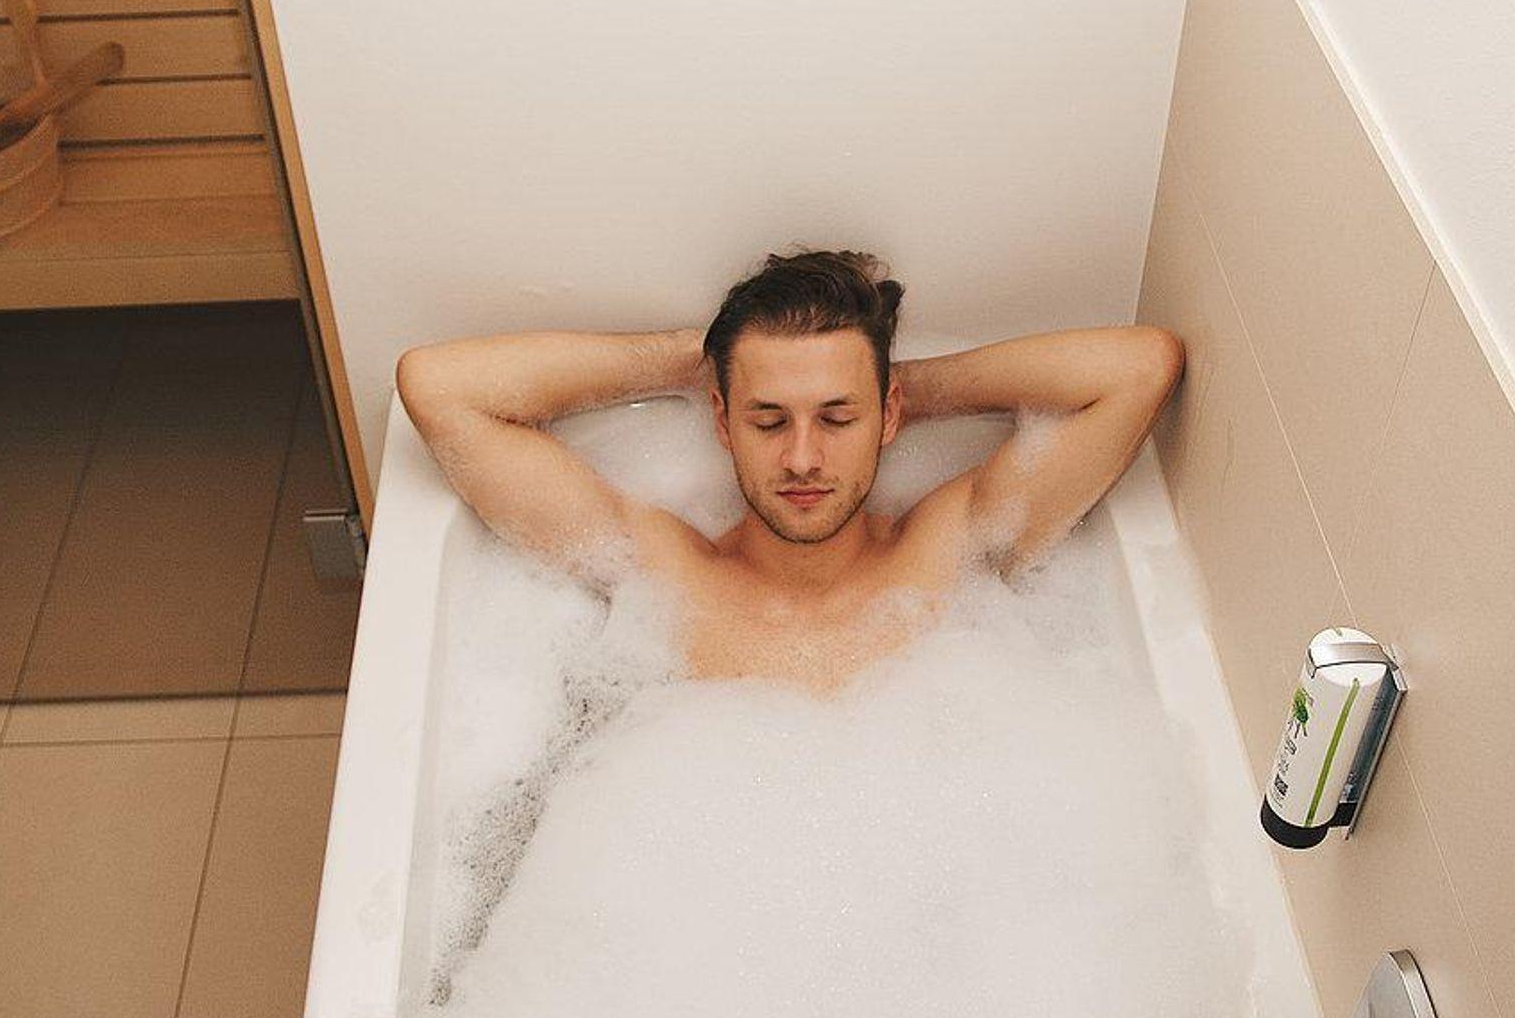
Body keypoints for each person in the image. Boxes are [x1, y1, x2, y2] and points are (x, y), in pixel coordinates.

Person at [395, 249, 1185, 693]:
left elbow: (1139, 368)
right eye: (768, 420)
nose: (802, 458)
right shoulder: (663, 573)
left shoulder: (949, 554)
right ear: (721, 420)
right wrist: (692, 358)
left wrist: (909, 389)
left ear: (888, 416)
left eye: (837, 420)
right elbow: (440, 391)